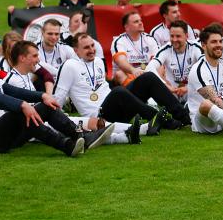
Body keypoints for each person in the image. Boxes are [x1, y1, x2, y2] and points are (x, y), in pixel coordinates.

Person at [0, 36, 85, 157]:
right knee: (20, 112)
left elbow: (10, 90)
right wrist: (22, 105)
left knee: (45, 106)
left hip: (3, 135)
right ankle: (67, 145)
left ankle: (81, 136)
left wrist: (42, 96)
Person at [55, 33, 191, 142]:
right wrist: (55, 119)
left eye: (92, 46)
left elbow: (101, 87)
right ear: (76, 50)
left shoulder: (97, 61)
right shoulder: (69, 66)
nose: (91, 50)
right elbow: (59, 94)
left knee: (147, 77)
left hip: (116, 106)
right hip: (99, 116)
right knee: (118, 92)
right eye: (86, 48)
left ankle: (184, 117)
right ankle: (163, 120)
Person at [3, 40, 114, 149]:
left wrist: (48, 97)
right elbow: (19, 113)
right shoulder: (13, 81)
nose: (38, 60)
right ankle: (120, 136)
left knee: (95, 123)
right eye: (35, 56)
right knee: (91, 125)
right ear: (22, 58)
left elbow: (48, 75)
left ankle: (123, 134)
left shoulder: (25, 74)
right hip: (32, 127)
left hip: (40, 119)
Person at [148, 20, 204, 104]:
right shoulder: (166, 49)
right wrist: (165, 85)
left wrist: (189, 87)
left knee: (205, 90)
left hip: (192, 90)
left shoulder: (195, 48)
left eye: (178, 36)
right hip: (172, 92)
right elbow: (150, 68)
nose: (174, 39)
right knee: (151, 101)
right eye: (172, 36)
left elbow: (205, 67)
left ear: (186, 36)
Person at [111, 11, 160, 85]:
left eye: (140, 20)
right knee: (120, 73)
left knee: (161, 68)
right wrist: (133, 70)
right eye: (136, 21)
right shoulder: (119, 41)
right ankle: (134, 95)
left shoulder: (150, 39)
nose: (140, 23)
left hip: (147, 74)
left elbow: (157, 60)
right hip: (129, 75)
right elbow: (121, 62)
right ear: (127, 27)